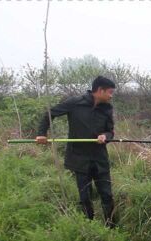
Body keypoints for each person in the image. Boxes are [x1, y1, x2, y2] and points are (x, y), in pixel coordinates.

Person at [36, 76, 117, 228]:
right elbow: (49, 113)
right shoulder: (75, 103)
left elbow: (110, 131)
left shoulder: (107, 109)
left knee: (106, 195)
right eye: (110, 92)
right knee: (85, 197)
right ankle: (89, 227)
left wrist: (105, 136)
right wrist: (42, 133)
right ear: (100, 90)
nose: (111, 96)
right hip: (79, 160)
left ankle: (111, 227)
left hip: (100, 159)